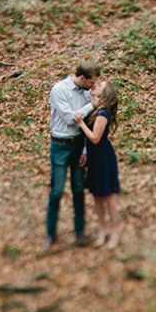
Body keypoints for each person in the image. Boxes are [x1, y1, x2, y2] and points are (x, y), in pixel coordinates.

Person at [43, 61, 100, 251]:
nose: (93, 87)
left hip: (78, 145)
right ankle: (50, 233)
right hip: (60, 144)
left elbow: (87, 123)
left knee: (78, 188)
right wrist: (91, 105)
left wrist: (85, 150)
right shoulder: (59, 89)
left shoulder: (85, 92)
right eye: (91, 83)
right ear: (81, 78)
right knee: (57, 190)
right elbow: (70, 119)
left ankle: (80, 231)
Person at [74, 81, 121, 249]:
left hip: (103, 156)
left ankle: (114, 231)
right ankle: (103, 229)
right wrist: (86, 152)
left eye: (100, 85)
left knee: (108, 195)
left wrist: (80, 123)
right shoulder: (95, 109)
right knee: (97, 195)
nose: (95, 85)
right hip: (94, 155)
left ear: (104, 94)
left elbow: (95, 137)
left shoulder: (102, 113)